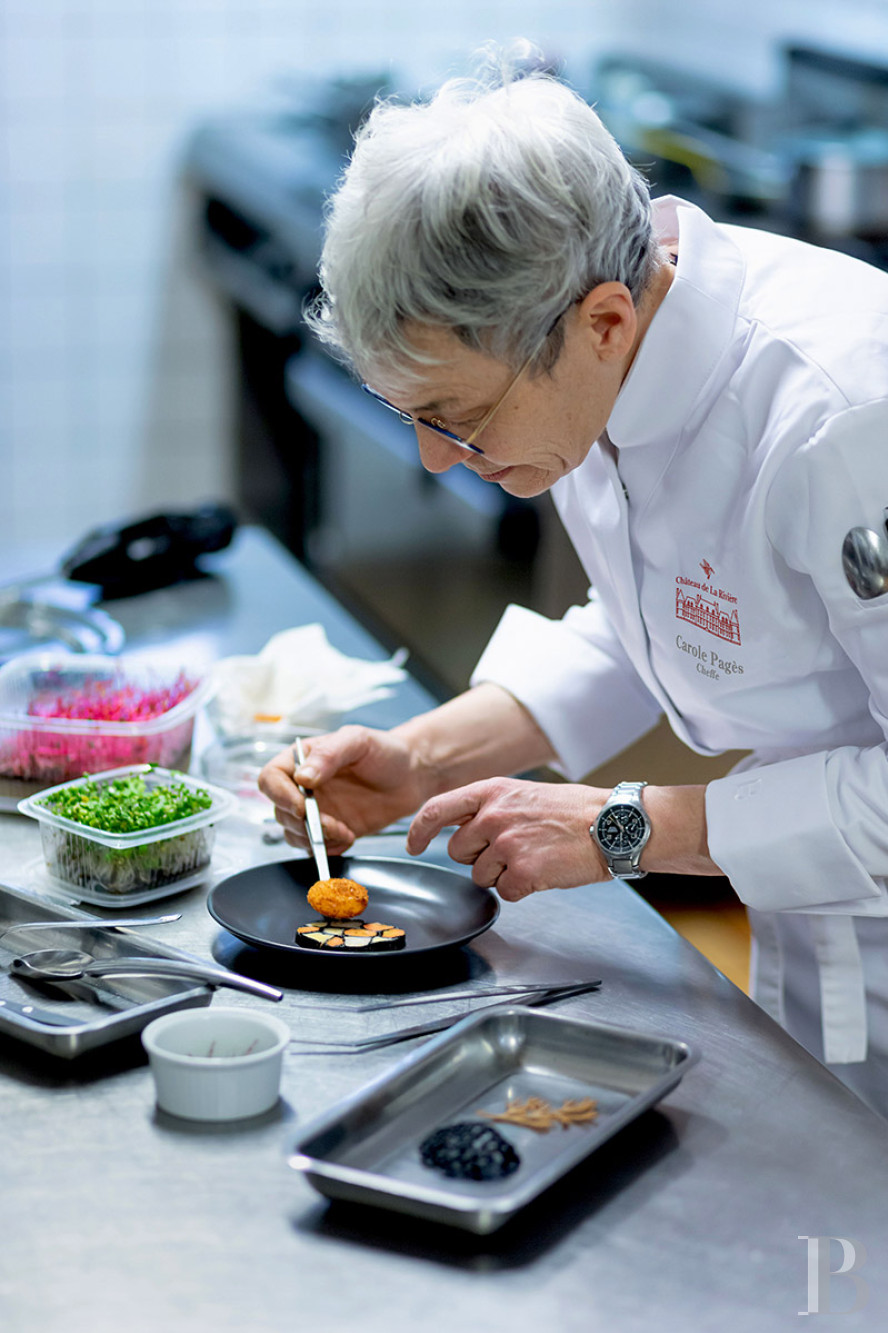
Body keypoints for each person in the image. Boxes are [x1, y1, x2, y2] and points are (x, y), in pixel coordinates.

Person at [259, 50, 888, 1117]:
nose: (434, 459)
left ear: (600, 321)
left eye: (456, 415)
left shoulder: (844, 414)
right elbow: (673, 616)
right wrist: (424, 757)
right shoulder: (601, 356)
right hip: (820, 926)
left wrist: (623, 826)